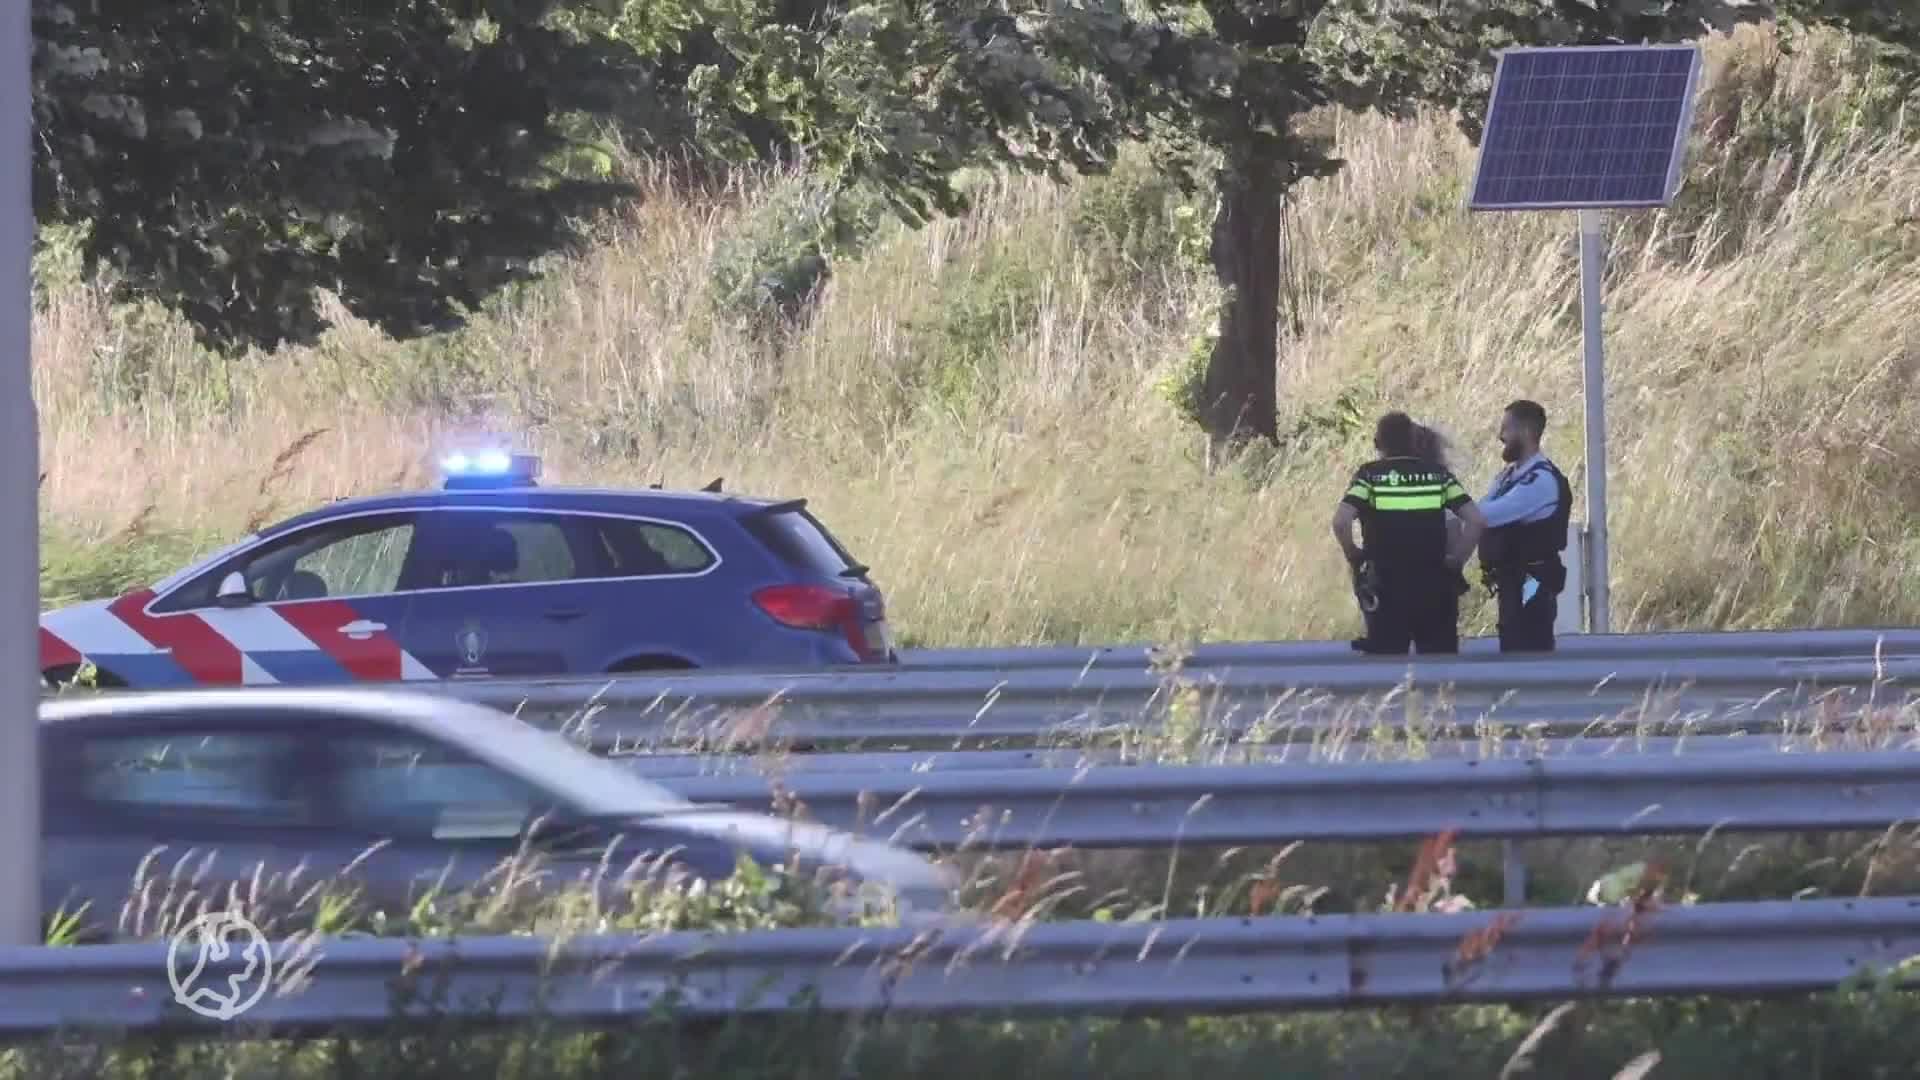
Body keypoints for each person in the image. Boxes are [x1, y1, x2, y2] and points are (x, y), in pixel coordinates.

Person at [1333, 412, 1486, 655]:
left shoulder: (1369, 476)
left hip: (1385, 585)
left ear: (1377, 443)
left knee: (1387, 662)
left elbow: (1341, 522)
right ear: (1414, 441)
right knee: (1440, 664)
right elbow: (1476, 520)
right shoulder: (1438, 475)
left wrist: (1355, 556)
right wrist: (1456, 561)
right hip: (1434, 584)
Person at [1476, 399, 1573, 652]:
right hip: (1511, 577)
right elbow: (1481, 510)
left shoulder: (1540, 481)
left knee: (1529, 636)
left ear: (1527, 432)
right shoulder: (1508, 476)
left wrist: (1450, 510)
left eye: (1506, 428)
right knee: (1512, 634)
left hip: (1533, 579)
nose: (1500, 436)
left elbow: (1485, 515)